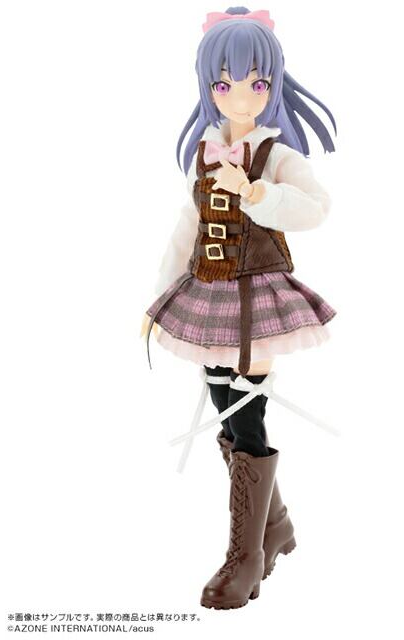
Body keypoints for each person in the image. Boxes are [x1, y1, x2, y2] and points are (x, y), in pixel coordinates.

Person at [140, 7, 337, 609]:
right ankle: (273, 526)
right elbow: (189, 226)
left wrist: (256, 193)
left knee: (244, 414)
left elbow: (315, 208)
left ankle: (246, 555)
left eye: (257, 82)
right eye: (224, 85)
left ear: (273, 84)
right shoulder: (206, 153)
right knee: (224, 406)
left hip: (257, 300)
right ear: (209, 88)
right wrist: (159, 298)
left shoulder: (274, 155)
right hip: (209, 299)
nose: (242, 96)